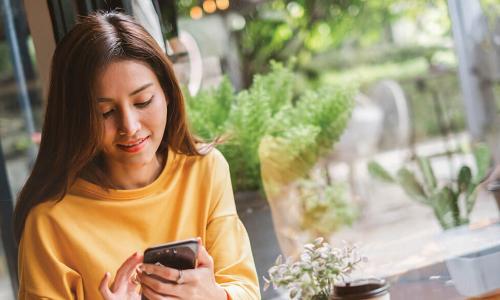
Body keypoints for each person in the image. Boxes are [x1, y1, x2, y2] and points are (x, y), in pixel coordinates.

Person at [14, 11, 260, 300]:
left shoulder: (205, 171)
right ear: (77, 118)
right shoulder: (49, 222)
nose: (129, 127)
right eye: (106, 112)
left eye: (143, 101)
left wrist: (213, 296)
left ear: (167, 92)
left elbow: (245, 289)